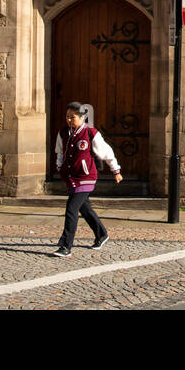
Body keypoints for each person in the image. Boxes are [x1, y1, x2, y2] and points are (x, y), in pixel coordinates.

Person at [53, 102, 122, 257]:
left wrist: (115, 170)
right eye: (67, 117)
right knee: (85, 209)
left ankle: (66, 246)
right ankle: (101, 234)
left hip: (86, 177)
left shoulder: (91, 133)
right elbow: (60, 152)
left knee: (71, 209)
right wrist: (59, 166)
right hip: (71, 177)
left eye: (73, 117)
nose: (69, 120)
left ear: (82, 117)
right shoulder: (64, 132)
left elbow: (106, 152)